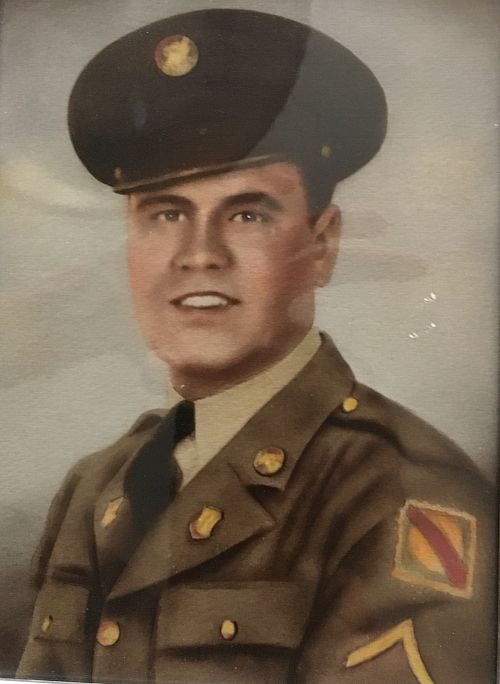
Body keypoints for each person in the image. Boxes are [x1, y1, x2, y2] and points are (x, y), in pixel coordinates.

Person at [17, 9, 496, 684]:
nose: (199, 255)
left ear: (322, 244)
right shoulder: (98, 485)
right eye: (166, 213)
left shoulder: (402, 493)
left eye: (247, 213)